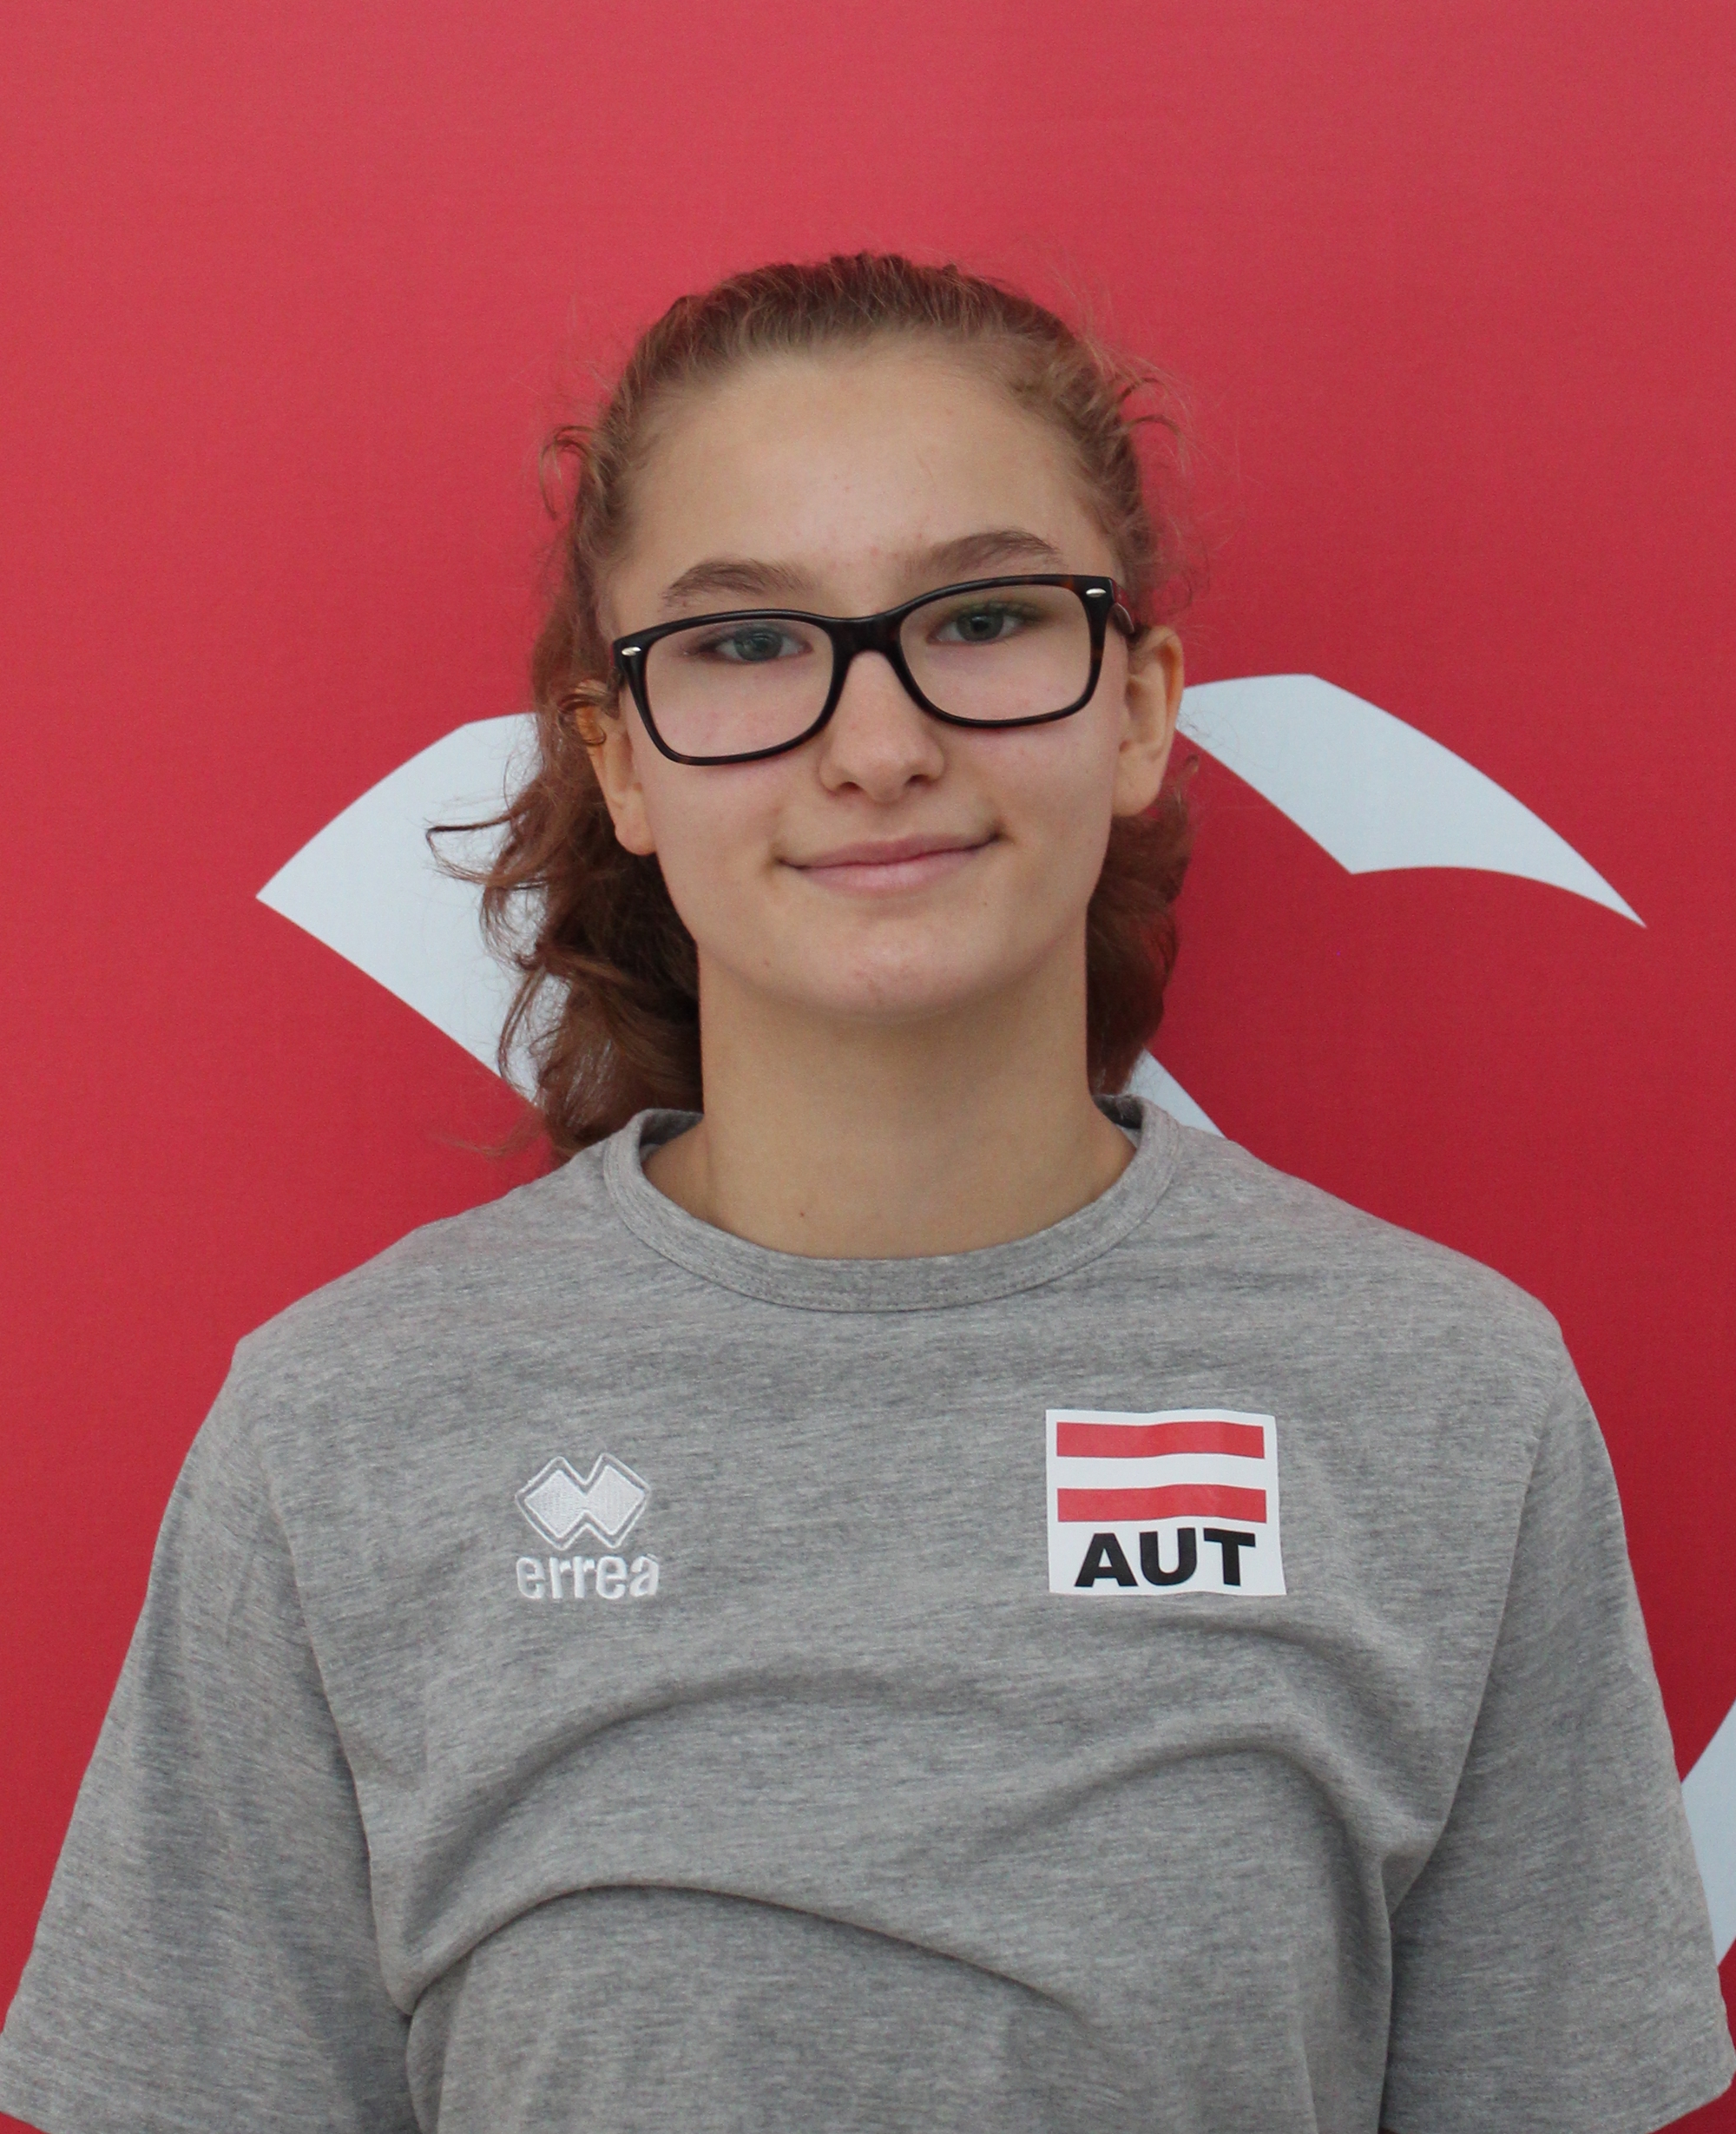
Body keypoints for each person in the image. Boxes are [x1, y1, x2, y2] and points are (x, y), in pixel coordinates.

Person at [0, 253, 1729, 2134]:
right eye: (748, 643)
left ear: (1138, 708)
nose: (880, 742)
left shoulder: (1447, 1397)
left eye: (981, 617)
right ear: (618, 757)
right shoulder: (339, 1423)